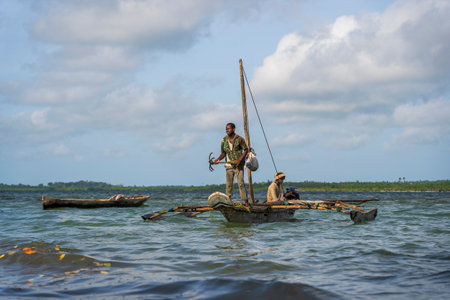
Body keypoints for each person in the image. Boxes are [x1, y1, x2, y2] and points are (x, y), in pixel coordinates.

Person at [211, 123, 249, 204]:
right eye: (226, 129)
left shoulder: (239, 139)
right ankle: (228, 201)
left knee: (241, 184)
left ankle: (246, 202)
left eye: (228, 128)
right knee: (229, 185)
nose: (227, 130)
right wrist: (217, 160)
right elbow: (223, 153)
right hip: (229, 165)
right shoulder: (224, 140)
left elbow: (246, 150)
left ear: (234, 129)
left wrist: (239, 160)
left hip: (239, 165)